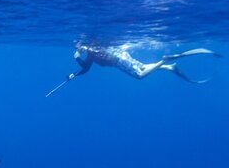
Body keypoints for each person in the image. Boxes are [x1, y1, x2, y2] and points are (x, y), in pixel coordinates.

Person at [46, 43, 221, 97]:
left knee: (139, 75)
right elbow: (85, 70)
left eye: (79, 48)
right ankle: (169, 66)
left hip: (118, 60)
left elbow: (85, 68)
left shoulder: (90, 53)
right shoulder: (93, 49)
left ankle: (164, 61)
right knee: (142, 67)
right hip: (122, 56)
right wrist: (73, 75)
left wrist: (76, 57)